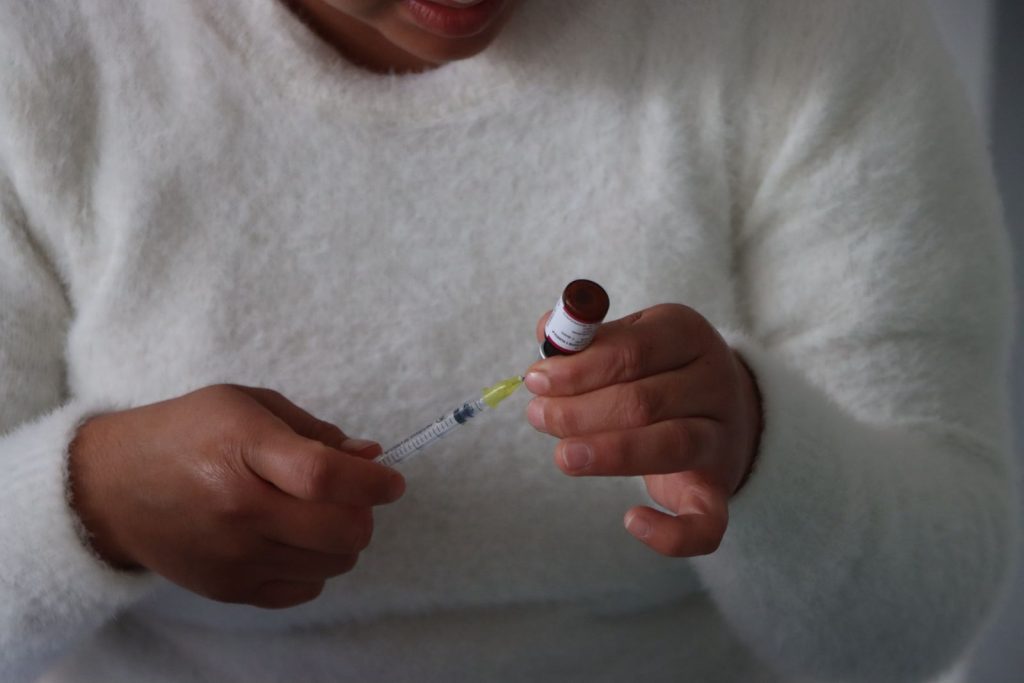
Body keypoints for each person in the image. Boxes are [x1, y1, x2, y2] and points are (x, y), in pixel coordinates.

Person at [0, 0, 1015, 681]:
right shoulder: (41, 51)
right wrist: (94, 499)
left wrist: (759, 449)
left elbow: (920, 620)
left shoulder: (807, 31)